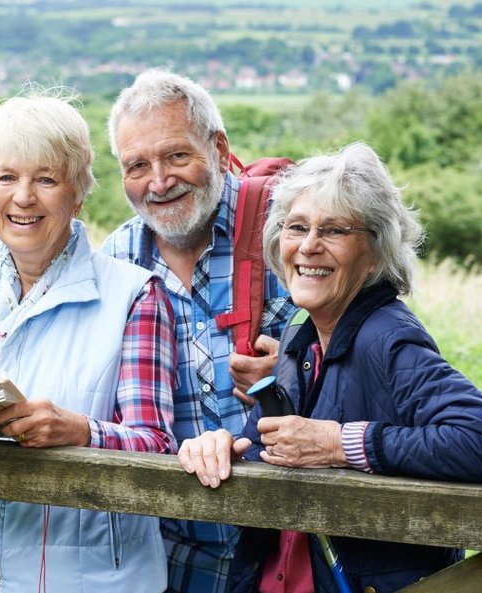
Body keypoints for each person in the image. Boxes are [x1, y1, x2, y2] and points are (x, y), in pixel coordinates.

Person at [177, 142, 482, 593]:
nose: (309, 246)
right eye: (297, 227)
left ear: (375, 252)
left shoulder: (386, 336)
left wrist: (340, 443)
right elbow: (271, 446)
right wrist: (223, 446)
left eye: (334, 230)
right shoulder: (303, 337)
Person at [0, 93, 178, 592]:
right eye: (6, 177)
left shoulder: (135, 297)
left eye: (47, 179)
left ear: (78, 192)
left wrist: (81, 432)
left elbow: (159, 451)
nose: (23, 197)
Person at [100, 69, 297, 593]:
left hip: (289, 551)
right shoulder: (115, 262)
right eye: (137, 165)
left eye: (176, 156)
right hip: (169, 563)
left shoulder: (291, 230)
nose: (159, 182)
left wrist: (296, 369)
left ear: (218, 147)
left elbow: (371, 350)